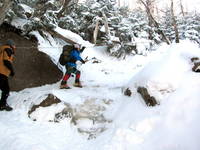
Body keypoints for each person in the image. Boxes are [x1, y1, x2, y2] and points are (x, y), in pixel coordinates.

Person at [0, 39, 16, 111]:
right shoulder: (8, 49)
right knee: (6, 89)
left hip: (2, 73)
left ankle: (2, 105)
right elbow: (6, 61)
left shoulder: (2, 49)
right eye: (14, 45)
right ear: (11, 45)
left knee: (5, 89)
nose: (15, 47)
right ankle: (2, 105)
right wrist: (12, 71)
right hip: (2, 73)